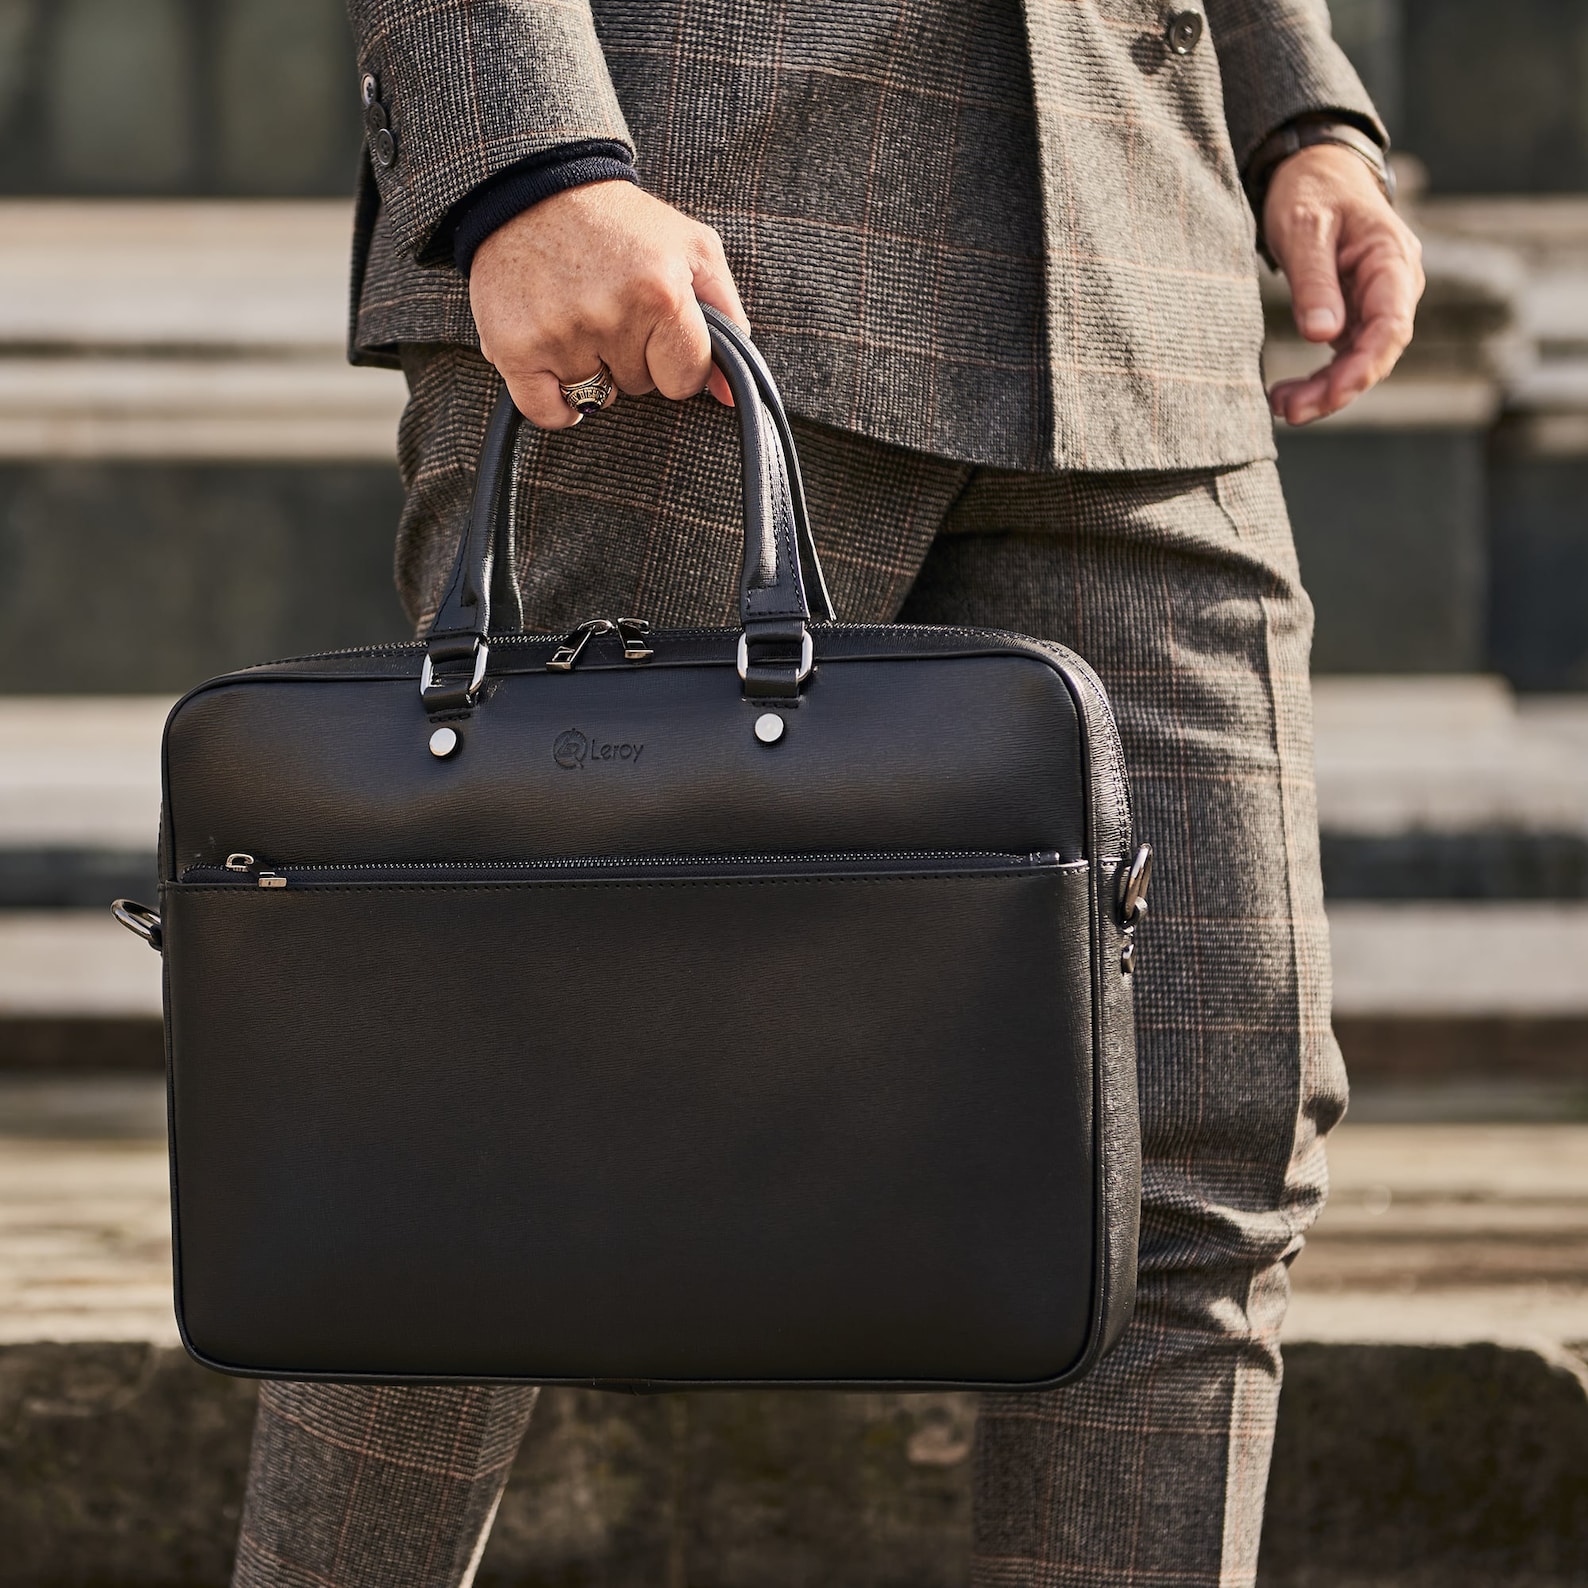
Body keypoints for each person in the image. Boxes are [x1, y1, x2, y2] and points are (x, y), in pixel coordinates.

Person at [230, 4, 1423, 1586]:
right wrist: (521, 158)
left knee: (1195, 1150)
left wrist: (1302, 119)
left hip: (1147, 278)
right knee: (473, 1118)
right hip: (683, 251)